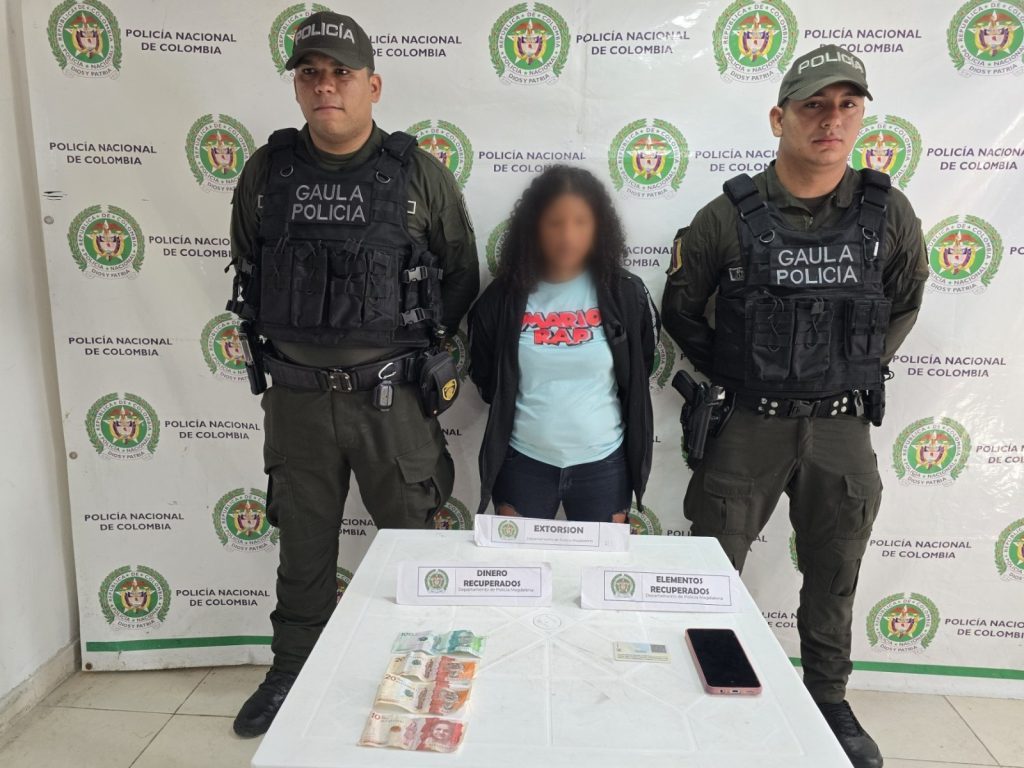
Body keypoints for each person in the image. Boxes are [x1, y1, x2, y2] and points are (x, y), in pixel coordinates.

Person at [661, 46, 928, 768]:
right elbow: (681, 309)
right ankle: (712, 692)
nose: (831, 119)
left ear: (860, 116)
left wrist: (852, 366)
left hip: (841, 425)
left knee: (835, 570)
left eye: (847, 105)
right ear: (780, 118)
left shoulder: (887, 212)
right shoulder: (727, 215)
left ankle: (827, 700)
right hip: (748, 423)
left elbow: (904, 300)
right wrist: (741, 371)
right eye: (814, 105)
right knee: (714, 568)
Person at [225, 11, 479, 736]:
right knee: (303, 545)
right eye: (310, 73)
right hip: (298, 401)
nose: (325, 86)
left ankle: (419, 673)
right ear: (297, 87)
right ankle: (290, 673)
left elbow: (459, 276)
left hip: (391, 401)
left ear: (373, 85)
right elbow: (250, 262)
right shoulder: (268, 170)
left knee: (412, 545)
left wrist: (408, 351)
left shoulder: (417, 173)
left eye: (341, 73)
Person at [469, 166, 659, 522]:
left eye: (581, 222)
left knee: (601, 560)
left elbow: (639, 367)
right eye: (555, 223)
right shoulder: (502, 298)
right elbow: (486, 375)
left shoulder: (625, 294)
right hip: (522, 463)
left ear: (599, 227)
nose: (568, 236)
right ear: (534, 227)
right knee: (517, 560)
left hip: (605, 465)